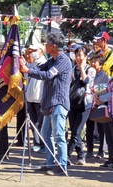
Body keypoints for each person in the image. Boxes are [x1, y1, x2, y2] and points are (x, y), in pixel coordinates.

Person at [20, 33, 72, 176]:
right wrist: (26, 64)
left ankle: (62, 166)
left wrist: (28, 70)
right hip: (49, 103)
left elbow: (48, 75)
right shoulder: (52, 59)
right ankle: (50, 162)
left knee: (59, 135)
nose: (45, 46)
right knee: (45, 134)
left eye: (47, 43)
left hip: (59, 103)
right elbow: (40, 68)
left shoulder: (63, 61)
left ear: (54, 46)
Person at [67, 47, 96, 165]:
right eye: (76, 55)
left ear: (86, 57)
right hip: (73, 102)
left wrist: (82, 68)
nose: (78, 58)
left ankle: (66, 156)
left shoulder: (91, 70)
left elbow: (85, 81)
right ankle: (81, 155)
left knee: (76, 131)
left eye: (80, 55)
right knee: (74, 131)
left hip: (85, 104)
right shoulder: (72, 69)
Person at [85, 54, 109, 159]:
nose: (93, 64)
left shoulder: (104, 76)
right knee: (89, 129)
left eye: (95, 62)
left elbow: (105, 89)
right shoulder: (88, 74)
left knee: (101, 129)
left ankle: (101, 150)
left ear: (101, 64)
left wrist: (95, 93)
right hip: (89, 104)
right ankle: (89, 150)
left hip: (99, 104)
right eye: (92, 62)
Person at [26, 43, 47, 153]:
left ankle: (42, 144)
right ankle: (36, 142)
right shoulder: (33, 64)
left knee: (40, 123)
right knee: (33, 122)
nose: (32, 53)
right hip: (31, 97)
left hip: (39, 98)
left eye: (35, 50)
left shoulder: (44, 63)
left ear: (41, 51)